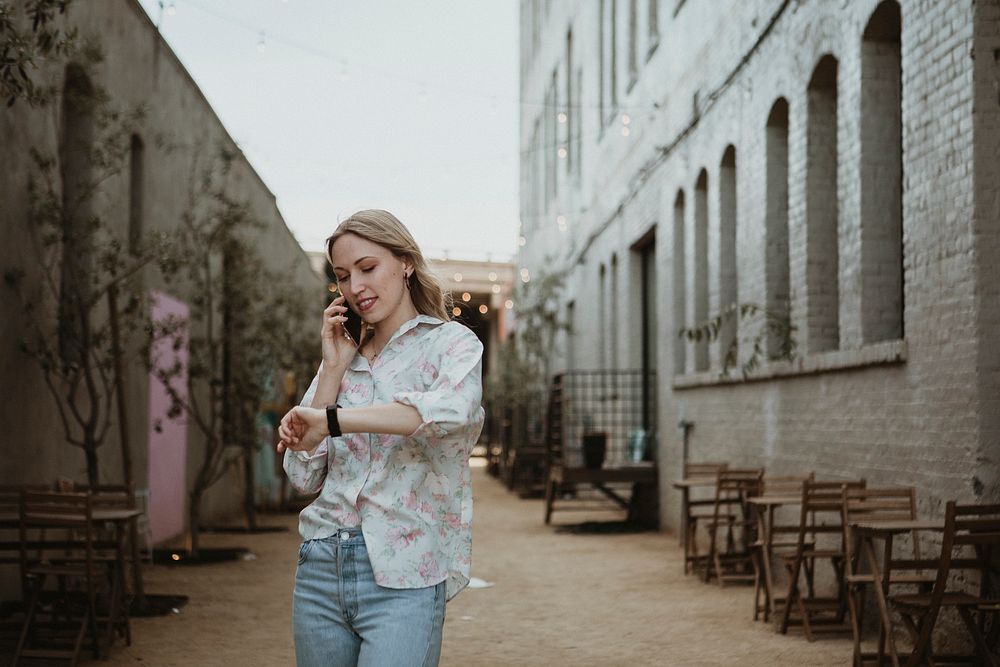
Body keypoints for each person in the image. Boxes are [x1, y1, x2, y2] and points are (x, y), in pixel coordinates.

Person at [277, 209, 485, 667]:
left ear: (406, 262)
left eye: (368, 268)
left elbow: (450, 414)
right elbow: (301, 474)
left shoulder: (451, 345)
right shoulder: (341, 360)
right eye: (343, 276)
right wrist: (331, 368)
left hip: (405, 571)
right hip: (319, 569)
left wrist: (334, 421)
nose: (355, 288)